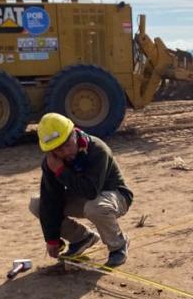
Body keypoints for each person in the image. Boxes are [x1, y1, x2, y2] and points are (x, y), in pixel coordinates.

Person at [29, 113, 133, 267]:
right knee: (37, 204)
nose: (65, 153)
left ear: (74, 134)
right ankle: (82, 238)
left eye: (67, 145)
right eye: (58, 150)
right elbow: (50, 199)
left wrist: (61, 171)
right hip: (87, 198)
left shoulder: (97, 149)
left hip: (116, 196)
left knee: (96, 208)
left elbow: (90, 190)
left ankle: (118, 245)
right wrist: (51, 238)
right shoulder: (52, 162)